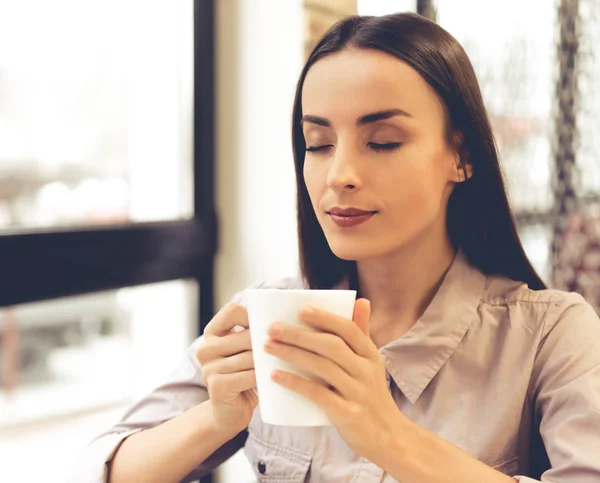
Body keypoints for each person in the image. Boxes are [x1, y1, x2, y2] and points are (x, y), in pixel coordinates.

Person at [70, 12, 600, 483]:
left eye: (383, 141)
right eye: (318, 144)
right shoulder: (269, 318)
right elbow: (103, 467)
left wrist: (389, 436)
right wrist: (216, 417)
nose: (339, 175)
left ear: (460, 157)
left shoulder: (552, 335)